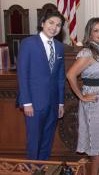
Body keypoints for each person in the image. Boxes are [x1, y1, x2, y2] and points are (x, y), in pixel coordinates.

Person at [66, 17, 99, 175]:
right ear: (89, 34)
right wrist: (82, 97)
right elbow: (70, 75)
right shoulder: (88, 52)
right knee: (98, 140)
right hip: (96, 101)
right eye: (96, 30)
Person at [17, 10, 66, 160]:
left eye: (58, 25)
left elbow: (59, 77)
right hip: (34, 103)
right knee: (34, 141)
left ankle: (42, 168)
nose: (54, 27)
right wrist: (26, 102)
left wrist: (60, 103)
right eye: (51, 23)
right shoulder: (28, 43)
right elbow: (22, 75)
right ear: (42, 23)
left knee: (47, 141)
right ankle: (32, 169)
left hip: (53, 103)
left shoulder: (59, 46)